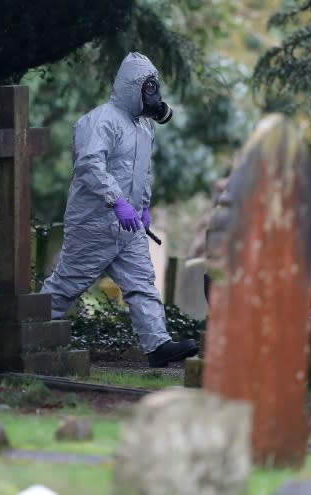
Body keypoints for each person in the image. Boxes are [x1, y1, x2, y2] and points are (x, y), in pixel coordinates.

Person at [40, 52, 198, 368]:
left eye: (154, 88)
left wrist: (142, 208)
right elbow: (89, 165)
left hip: (128, 227)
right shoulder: (101, 121)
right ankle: (24, 333)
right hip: (94, 223)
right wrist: (118, 202)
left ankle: (158, 346)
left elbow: (142, 172)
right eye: (147, 88)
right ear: (132, 87)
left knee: (142, 284)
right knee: (66, 285)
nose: (153, 95)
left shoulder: (144, 128)